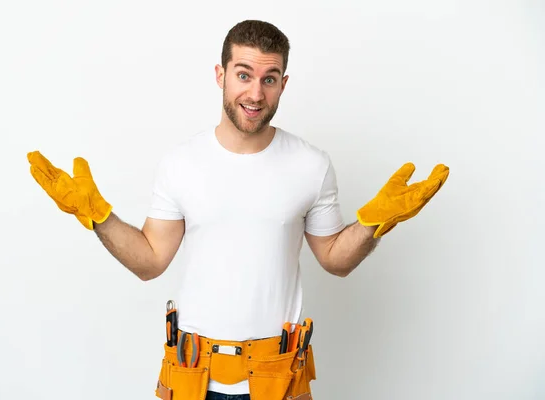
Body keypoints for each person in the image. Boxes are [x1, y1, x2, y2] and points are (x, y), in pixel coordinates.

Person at [27, 19, 449, 400]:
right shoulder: (182, 163)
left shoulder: (311, 165)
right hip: (192, 376)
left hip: (278, 379)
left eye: (269, 79)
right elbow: (149, 260)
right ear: (221, 75)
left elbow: (335, 259)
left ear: (283, 84)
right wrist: (97, 215)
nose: (255, 93)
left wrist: (374, 223)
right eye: (243, 75)